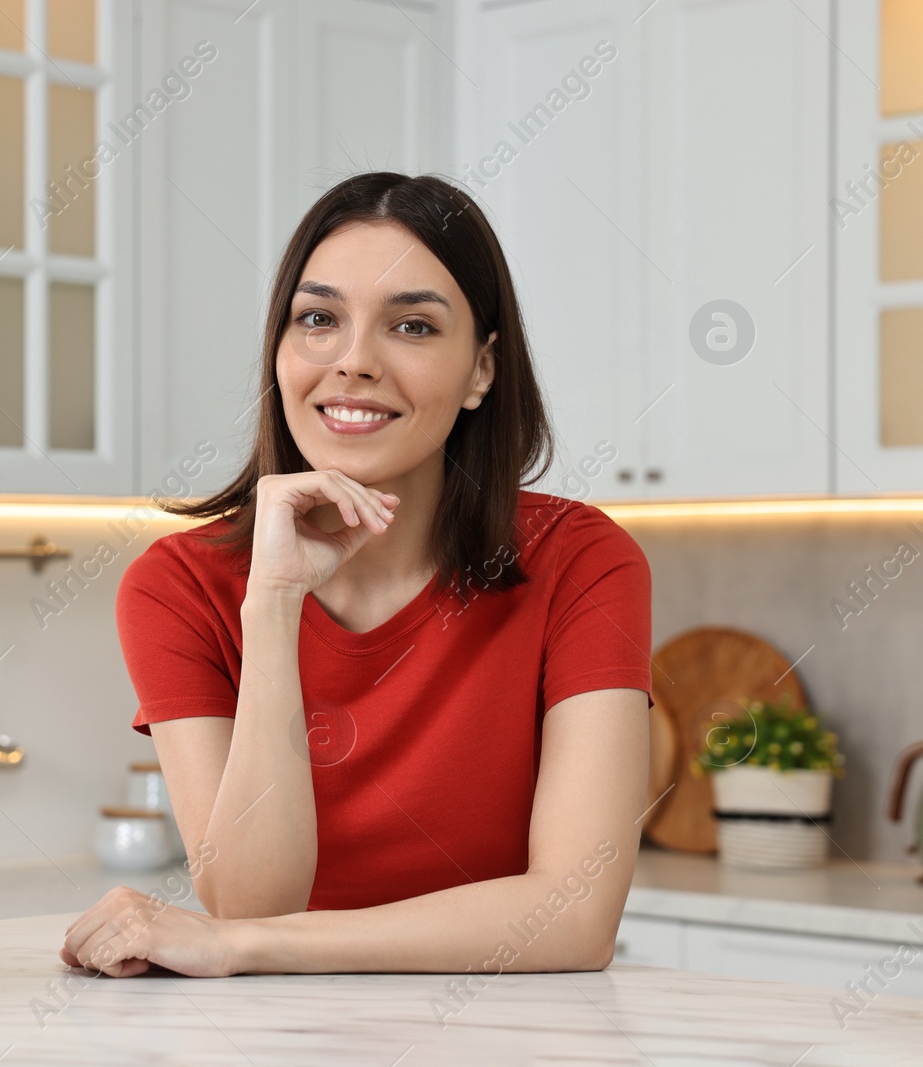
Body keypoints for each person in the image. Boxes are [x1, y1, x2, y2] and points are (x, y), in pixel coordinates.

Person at [60, 172, 652, 980]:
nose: (354, 362)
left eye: (411, 325)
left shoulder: (582, 561)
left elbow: (576, 917)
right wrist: (271, 603)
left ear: (481, 369)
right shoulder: (179, 587)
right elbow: (252, 901)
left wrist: (243, 947)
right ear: (280, 350)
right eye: (318, 319)